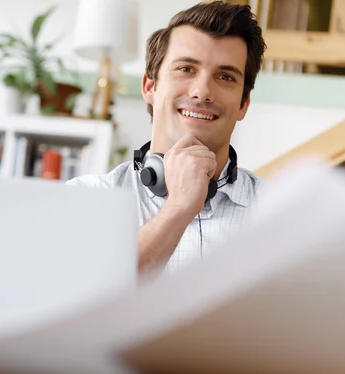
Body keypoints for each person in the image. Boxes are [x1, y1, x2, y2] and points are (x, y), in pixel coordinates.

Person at [66, 1, 267, 275]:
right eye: (186, 69)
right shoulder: (88, 199)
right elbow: (84, 301)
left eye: (225, 76)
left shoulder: (279, 211)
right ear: (150, 86)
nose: (202, 91)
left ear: (244, 104)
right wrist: (179, 207)